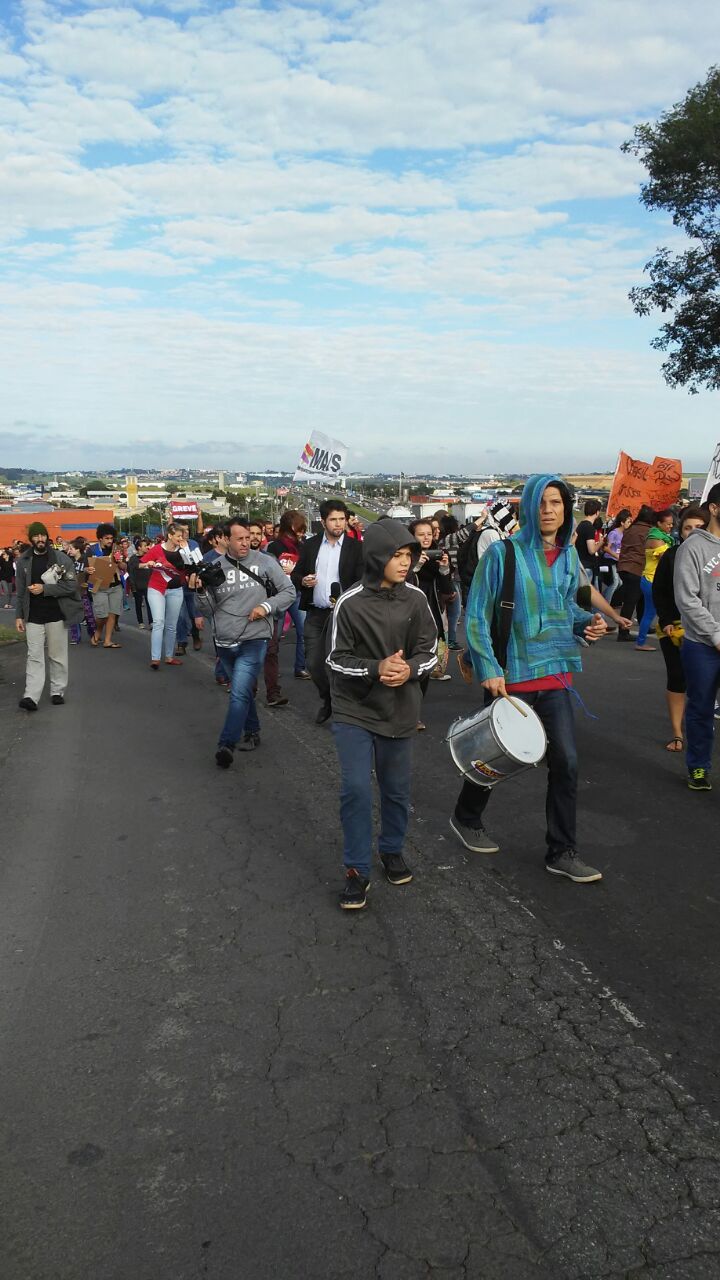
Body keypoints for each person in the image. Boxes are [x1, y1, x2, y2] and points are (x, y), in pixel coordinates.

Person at [450, 475, 607, 883]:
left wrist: (587, 624)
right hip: (512, 676)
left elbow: (566, 608)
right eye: (542, 502)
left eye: (557, 502)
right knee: (494, 758)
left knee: (566, 762)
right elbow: (477, 616)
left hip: (555, 674)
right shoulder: (503, 554)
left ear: (566, 509)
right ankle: (466, 816)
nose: (549, 510)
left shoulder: (568, 557)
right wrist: (488, 667)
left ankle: (562, 851)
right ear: (530, 507)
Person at [326, 519, 438, 909]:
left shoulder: (417, 600)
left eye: (409, 555)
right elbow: (335, 659)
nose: (405, 562)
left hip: (401, 709)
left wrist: (410, 670)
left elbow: (430, 651)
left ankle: (392, 849)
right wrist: (376, 668)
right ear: (376, 557)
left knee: (396, 790)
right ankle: (356, 870)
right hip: (354, 709)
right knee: (356, 790)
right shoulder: (350, 602)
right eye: (397, 555)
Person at [197, 517, 295, 766]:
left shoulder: (265, 562)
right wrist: (199, 591)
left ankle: (226, 744)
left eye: (248, 538)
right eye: (239, 539)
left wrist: (266, 606)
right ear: (225, 539)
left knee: (239, 692)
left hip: (255, 637)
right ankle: (252, 731)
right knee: (243, 691)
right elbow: (208, 610)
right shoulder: (214, 568)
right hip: (225, 639)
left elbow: (289, 592)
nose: (245, 543)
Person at [291, 500, 364, 724]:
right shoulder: (311, 545)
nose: (338, 524)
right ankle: (329, 699)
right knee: (314, 664)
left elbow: (362, 580)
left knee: (345, 664)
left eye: (342, 519)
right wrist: (303, 580)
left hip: (345, 616)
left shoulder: (356, 547)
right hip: (316, 614)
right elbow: (296, 574)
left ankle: (346, 706)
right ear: (323, 522)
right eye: (333, 519)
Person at [673, 483, 720, 791]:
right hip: (702, 645)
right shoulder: (693, 547)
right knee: (701, 708)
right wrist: (715, 634)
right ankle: (698, 766)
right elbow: (686, 599)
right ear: (714, 508)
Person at [652, 505, 708, 753]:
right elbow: (660, 591)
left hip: (708, 629)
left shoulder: (715, 556)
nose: (693, 532)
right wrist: (666, 620)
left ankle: (701, 724)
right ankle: (677, 732)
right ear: (680, 531)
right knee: (677, 677)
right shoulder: (672, 556)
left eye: (699, 527)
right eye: (688, 528)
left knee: (705, 680)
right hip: (674, 628)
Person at [14, 522, 83, 710]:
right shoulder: (23, 561)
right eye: (36, 536)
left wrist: (45, 589)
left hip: (56, 614)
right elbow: (20, 591)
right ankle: (31, 696)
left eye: (43, 535)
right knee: (34, 656)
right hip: (33, 616)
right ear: (31, 539)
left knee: (57, 655)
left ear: (47, 537)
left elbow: (71, 586)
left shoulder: (61, 558)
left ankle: (57, 691)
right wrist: (19, 615)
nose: (40, 539)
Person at [139, 524, 191, 670]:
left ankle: (169, 656)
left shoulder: (182, 551)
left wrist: (186, 550)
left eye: (182, 536)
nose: (181, 539)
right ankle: (155, 658)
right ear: (170, 535)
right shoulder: (157, 549)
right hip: (157, 588)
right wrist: (148, 564)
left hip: (176, 589)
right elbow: (139, 564)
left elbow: (191, 565)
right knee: (158, 622)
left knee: (171, 624)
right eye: (178, 536)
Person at [266, 510, 310, 681]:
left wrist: (296, 571)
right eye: (299, 528)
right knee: (275, 635)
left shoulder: (303, 546)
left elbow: (307, 567)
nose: (301, 532)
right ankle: (272, 667)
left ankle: (301, 667)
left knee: (304, 631)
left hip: (297, 592)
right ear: (291, 527)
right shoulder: (274, 546)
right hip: (279, 593)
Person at [635, 510, 675, 652]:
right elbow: (668, 559)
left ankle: (641, 641)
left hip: (651, 579)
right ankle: (641, 643)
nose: (671, 526)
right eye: (668, 524)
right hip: (652, 579)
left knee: (650, 612)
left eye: (672, 524)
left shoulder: (660, 537)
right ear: (659, 523)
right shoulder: (656, 539)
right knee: (650, 613)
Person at [615, 506, 655, 641]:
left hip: (624, 566)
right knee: (631, 601)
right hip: (637, 568)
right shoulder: (649, 531)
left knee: (639, 598)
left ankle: (644, 625)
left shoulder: (631, 528)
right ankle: (623, 632)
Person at [85, 523, 126, 648]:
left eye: (111, 538)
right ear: (100, 538)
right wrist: (88, 570)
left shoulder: (117, 549)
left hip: (115, 585)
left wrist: (119, 562)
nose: (109, 541)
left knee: (112, 613)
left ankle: (108, 640)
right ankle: (97, 632)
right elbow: (85, 567)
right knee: (102, 615)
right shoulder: (92, 550)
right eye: (107, 538)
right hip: (99, 585)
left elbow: (124, 567)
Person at [598, 510, 631, 602]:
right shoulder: (614, 533)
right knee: (615, 582)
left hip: (617, 561)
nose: (630, 524)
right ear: (622, 523)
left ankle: (602, 599)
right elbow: (606, 548)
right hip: (610, 560)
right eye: (628, 522)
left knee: (619, 582)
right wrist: (616, 556)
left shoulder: (624, 533)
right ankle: (605, 603)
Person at [575, 500, 604, 585]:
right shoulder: (590, 527)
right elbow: (591, 550)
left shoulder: (581, 524)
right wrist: (601, 542)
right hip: (587, 565)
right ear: (597, 512)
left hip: (580, 563)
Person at [128, 537, 153, 628]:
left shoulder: (150, 557)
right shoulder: (133, 558)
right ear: (139, 547)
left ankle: (151, 622)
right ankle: (140, 622)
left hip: (149, 585)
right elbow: (131, 572)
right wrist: (133, 586)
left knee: (150, 604)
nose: (147, 547)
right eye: (145, 546)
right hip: (137, 585)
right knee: (138, 604)